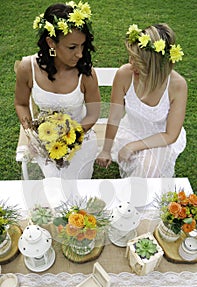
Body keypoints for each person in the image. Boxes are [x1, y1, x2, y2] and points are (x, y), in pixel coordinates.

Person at [15, 1, 100, 179]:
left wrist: (70, 137)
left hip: (80, 138)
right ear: (51, 42)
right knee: (53, 184)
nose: (79, 54)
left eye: (83, 46)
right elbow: (21, 103)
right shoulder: (27, 68)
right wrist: (32, 132)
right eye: (72, 47)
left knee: (75, 189)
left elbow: (93, 114)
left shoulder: (85, 72)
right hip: (45, 140)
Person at [96, 23, 187, 178]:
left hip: (161, 139)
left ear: (152, 64)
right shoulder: (124, 74)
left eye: (137, 60)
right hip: (130, 132)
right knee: (147, 170)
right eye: (131, 56)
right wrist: (106, 149)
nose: (130, 62)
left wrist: (133, 146)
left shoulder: (177, 85)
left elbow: (170, 135)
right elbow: (115, 116)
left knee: (149, 167)